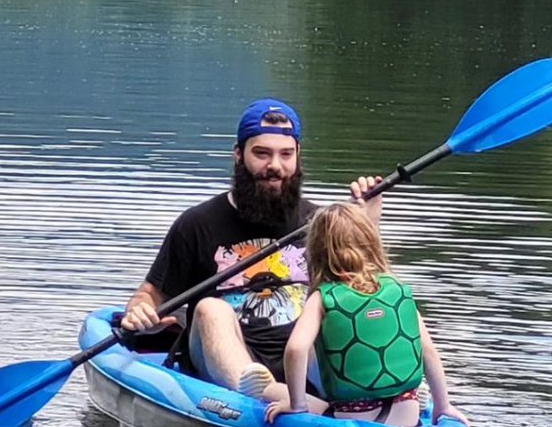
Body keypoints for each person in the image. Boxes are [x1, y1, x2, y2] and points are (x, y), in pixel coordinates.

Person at [120, 98, 381, 402]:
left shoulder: (320, 223)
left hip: (303, 359)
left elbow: (363, 291)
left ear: (298, 156)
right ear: (238, 155)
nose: (275, 166)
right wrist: (140, 311)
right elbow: (151, 294)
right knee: (210, 309)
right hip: (227, 361)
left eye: (286, 154)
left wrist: (367, 226)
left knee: (333, 305)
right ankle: (259, 393)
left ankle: (362, 393)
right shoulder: (197, 224)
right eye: (262, 153)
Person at [262, 202, 470, 427]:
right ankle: (415, 395)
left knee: (271, 391)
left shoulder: (322, 297)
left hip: (349, 419)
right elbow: (427, 351)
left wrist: (297, 405)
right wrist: (443, 406)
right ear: (372, 245)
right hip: (407, 416)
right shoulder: (396, 290)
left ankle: (269, 388)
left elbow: (295, 349)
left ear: (316, 252)